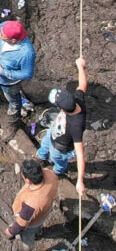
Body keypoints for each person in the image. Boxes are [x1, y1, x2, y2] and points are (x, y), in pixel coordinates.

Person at [38, 57, 87, 196]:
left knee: (56, 159)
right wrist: (80, 67)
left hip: (61, 147)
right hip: (53, 132)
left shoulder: (76, 126)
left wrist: (80, 181)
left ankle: (58, 171)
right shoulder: (78, 99)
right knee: (44, 144)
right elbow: (82, 84)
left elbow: (80, 155)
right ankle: (41, 157)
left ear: (63, 110)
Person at [0, 21, 36, 138]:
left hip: (10, 83)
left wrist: (2, 72)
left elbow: (27, 73)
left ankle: (13, 123)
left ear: (12, 41)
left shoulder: (26, 53)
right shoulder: (7, 26)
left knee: (14, 101)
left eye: (2, 36)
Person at [3, 159, 58, 251]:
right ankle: (38, 232)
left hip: (32, 222)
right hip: (45, 210)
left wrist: (10, 232)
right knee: (39, 224)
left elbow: (21, 225)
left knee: (27, 242)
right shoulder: (51, 175)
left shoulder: (30, 205)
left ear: (28, 181)